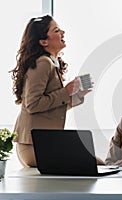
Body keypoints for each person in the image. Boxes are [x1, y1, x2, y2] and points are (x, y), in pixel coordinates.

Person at [10, 15, 91, 167]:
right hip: (33, 146)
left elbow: (50, 109)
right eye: (56, 30)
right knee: (94, 163)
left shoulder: (52, 64)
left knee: (95, 163)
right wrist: (66, 92)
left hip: (43, 144)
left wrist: (77, 96)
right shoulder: (43, 63)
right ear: (43, 41)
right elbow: (33, 104)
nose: (63, 32)